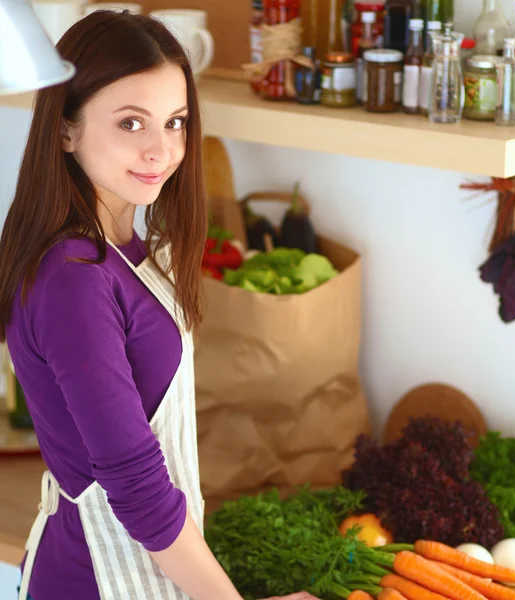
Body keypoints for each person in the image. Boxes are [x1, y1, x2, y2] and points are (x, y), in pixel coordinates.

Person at [0, 10, 322, 600]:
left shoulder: (121, 246)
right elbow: (135, 484)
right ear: (66, 130)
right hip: (96, 578)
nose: (162, 149)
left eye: (175, 122)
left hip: (145, 570)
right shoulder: (73, 276)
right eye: (130, 123)